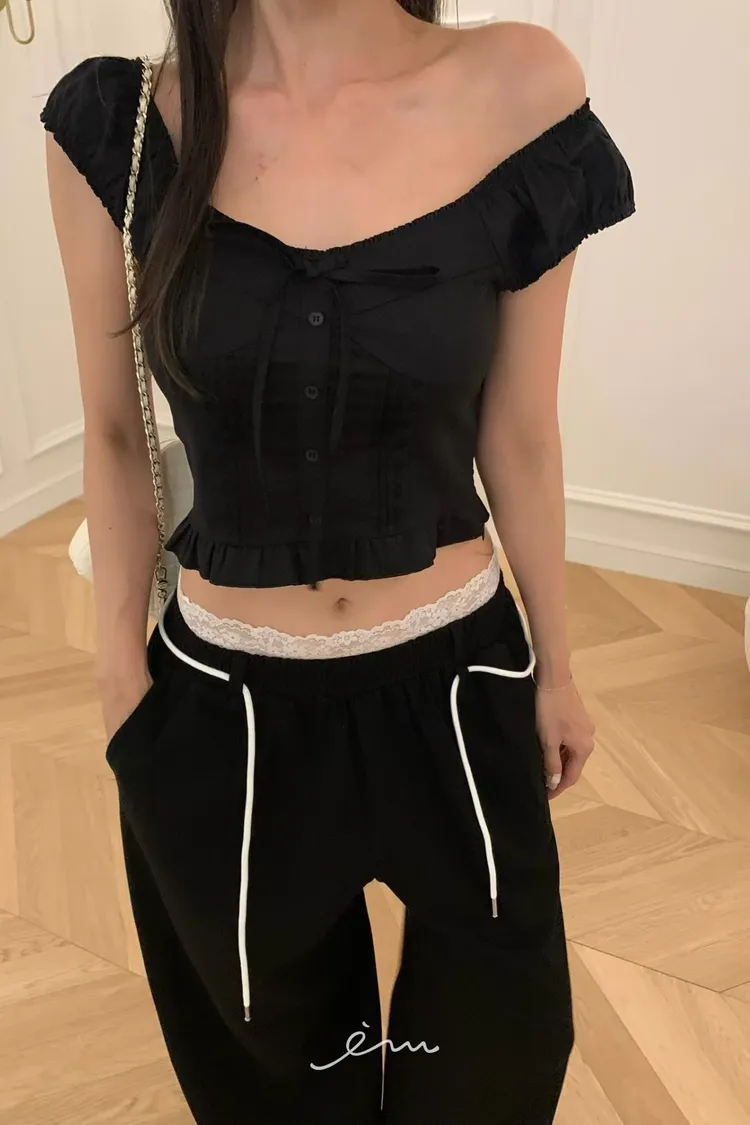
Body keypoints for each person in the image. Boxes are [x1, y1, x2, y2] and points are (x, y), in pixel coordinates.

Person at [40, 2, 634, 1122]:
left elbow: (520, 432)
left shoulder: (520, 87)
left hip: (456, 689)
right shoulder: (122, 123)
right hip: (220, 713)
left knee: (492, 1064)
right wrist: (120, 676)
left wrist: (557, 666)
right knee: (269, 1084)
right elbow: (114, 432)